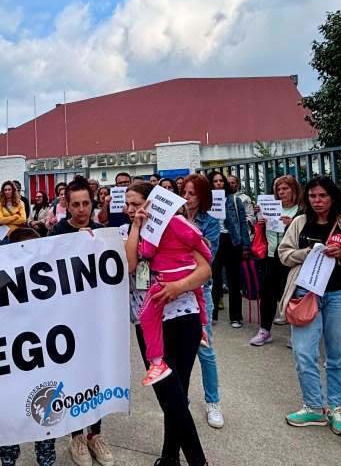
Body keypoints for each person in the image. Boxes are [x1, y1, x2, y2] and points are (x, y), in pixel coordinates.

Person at [125, 181, 211, 466]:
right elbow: (131, 265)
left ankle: (192, 461)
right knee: (170, 397)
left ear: (153, 204)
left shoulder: (176, 227)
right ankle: (170, 457)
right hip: (148, 324)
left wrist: (177, 287)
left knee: (175, 396)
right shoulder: (128, 233)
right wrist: (137, 227)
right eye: (127, 204)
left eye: (136, 204)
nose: (130, 209)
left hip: (182, 318)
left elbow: (205, 269)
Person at [278, 176, 341, 434]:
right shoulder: (299, 223)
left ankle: (336, 408)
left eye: (322, 196)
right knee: (304, 352)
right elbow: (284, 255)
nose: (317, 201)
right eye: (312, 196)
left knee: (338, 355)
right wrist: (305, 253)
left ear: (333, 198)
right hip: (306, 294)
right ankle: (312, 407)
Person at [45, 176, 113, 466]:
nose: (82, 209)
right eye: (76, 204)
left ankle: (94, 434)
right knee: (73, 377)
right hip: (67, 320)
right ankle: (75, 436)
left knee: (96, 375)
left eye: (86, 203)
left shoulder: (102, 234)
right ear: (66, 205)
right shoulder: (56, 234)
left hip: (95, 318)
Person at [0, 226, 61, 466]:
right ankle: (9, 459)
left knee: (46, 421)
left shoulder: (50, 285)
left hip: (43, 370)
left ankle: (45, 459)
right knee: (10, 422)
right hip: (11, 371)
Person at [138, 185, 212, 386]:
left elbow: (146, 252)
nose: (132, 210)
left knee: (146, 315)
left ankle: (156, 362)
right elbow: (198, 242)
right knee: (200, 295)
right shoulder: (182, 223)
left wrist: (142, 232)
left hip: (167, 281)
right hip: (186, 277)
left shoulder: (158, 226)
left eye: (137, 205)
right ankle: (202, 332)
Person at [181, 174, 226, 429]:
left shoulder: (210, 223)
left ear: (203, 196)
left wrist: (186, 233)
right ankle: (181, 398)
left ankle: (213, 402)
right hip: (175, 290)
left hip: (200, 290)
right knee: (176, 350)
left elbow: (206, 256)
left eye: (192, 193)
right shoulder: (173, 218)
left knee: (204, 348)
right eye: (184, 192)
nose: (187, 198)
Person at [251, 175, 302, 347]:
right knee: (267, 295)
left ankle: (296, 333)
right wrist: (259, 219)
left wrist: (292, 223)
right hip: (271, 256)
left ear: (294, 190)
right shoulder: (270, 207)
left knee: (291, 295)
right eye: (278, 189)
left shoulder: (300, 211)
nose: (281, 192)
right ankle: (265, 330)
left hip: (291, 259)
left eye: (285, 188)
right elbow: (259, 230)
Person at [207, 171, 252, 327]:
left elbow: (243, 224)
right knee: (215, 279)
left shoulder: (234, 199)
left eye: (221, 181)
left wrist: (246, 245)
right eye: (215, 181)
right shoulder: (207, 200)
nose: (219, 183)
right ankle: (212, 314)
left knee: (234, 281)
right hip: (214, 240)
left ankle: (236, 316)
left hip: (232, 241)